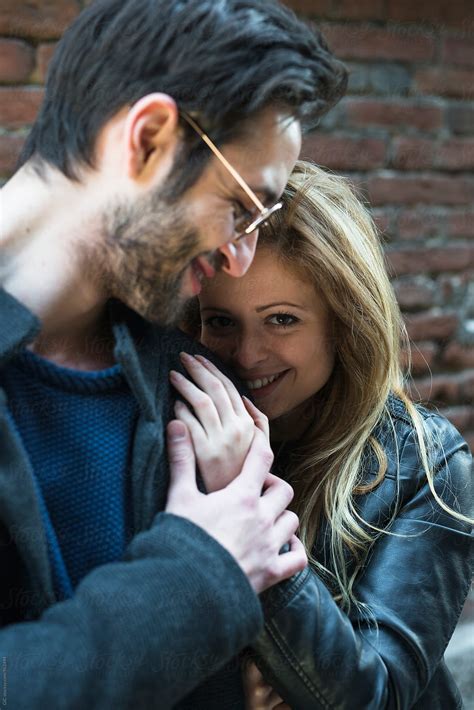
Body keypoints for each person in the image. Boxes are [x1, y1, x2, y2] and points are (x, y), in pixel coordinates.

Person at [0, 1, 348, 707]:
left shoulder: (196, 389)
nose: (240, 255)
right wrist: (200, 577)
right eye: (242, 206)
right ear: (151, 138)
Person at [176, 161, 474, 709]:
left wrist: (245, 503)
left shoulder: (427, 464)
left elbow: (375, 696)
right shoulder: (174, 436)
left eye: (281, 319)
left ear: (343, 321)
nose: (246, 354)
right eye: (221, 321)